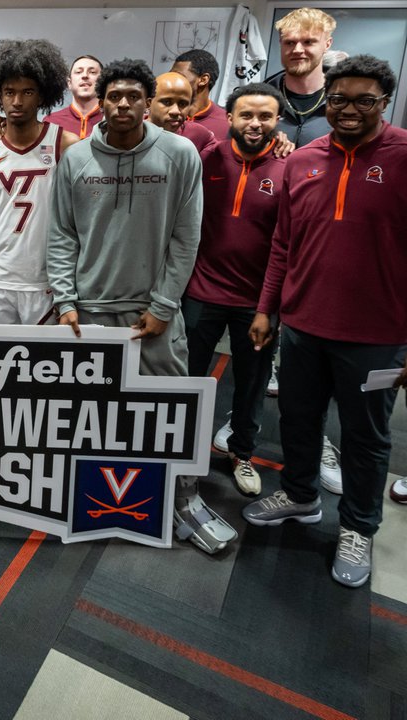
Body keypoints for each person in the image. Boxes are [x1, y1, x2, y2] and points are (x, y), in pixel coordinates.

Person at [46, 59, 230, 554]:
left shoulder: (179, 153)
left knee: (170, 412)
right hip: (88, 311)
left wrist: (165, 305)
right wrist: (65, 301)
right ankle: (97, 498)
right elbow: (61, 234)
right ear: (101, 101)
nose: (123, 104)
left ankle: (184, 501)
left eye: (133, 96)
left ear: (147, 102)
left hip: (153, 312)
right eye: (114, 96)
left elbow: (186, 237)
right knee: (90, 416)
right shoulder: (76, 158)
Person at [243, 55, 407, 588]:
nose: (349, 110)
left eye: (365, 100)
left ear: (385, 102)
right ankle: (300, 495)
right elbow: (282, 245)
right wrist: (267, 309)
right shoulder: (303, 161)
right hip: (303, 326)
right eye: (338, 100)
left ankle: (358, 527)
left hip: (378, 336)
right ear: (325, 101)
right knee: (297, 418)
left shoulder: (404, 156)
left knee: (365, 438)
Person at [182, 83, 286, 498]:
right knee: (188, 379)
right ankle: (181, 451)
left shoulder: (289, 167)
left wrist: (268, 307)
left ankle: (242, 453)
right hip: (200, 292)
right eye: (246, 115)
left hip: (256, 302)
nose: (255, 123)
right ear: (230, 118)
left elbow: (284, 244)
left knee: (251, 384)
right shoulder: (208, 158)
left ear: (277, 120)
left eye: (265, 116)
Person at [0, 39, 79, 324]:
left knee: (45, 354)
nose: (17, 101)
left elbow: (77, 219)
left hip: (46, 280)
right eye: (9, 92)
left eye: (27, 92)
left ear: (41, 96)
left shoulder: (64, 144)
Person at [264, 7, 336, 147]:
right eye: (289, 42)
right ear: (281, 43)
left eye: (308, 42)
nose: (297, 50)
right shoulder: (258, 99)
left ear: (327, 44)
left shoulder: (345, 103)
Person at [147, 71, 216, 151]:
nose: (175, 111)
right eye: (167, 102)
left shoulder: (198, 134)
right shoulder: (136, 131)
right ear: (149, 103)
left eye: (183, 104)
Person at [170, 49, 230, 140]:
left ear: (203, 80)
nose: (171, 80)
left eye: (179, 76)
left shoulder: (228, 124)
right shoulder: (164, 115)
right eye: (171, 75)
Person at [45, 55, 103, 139]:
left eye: (92, 72)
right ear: (69, 83)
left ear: (103, 81)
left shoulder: (113, 121)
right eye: (78, 72)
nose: (85, 75)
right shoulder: (51, 122)